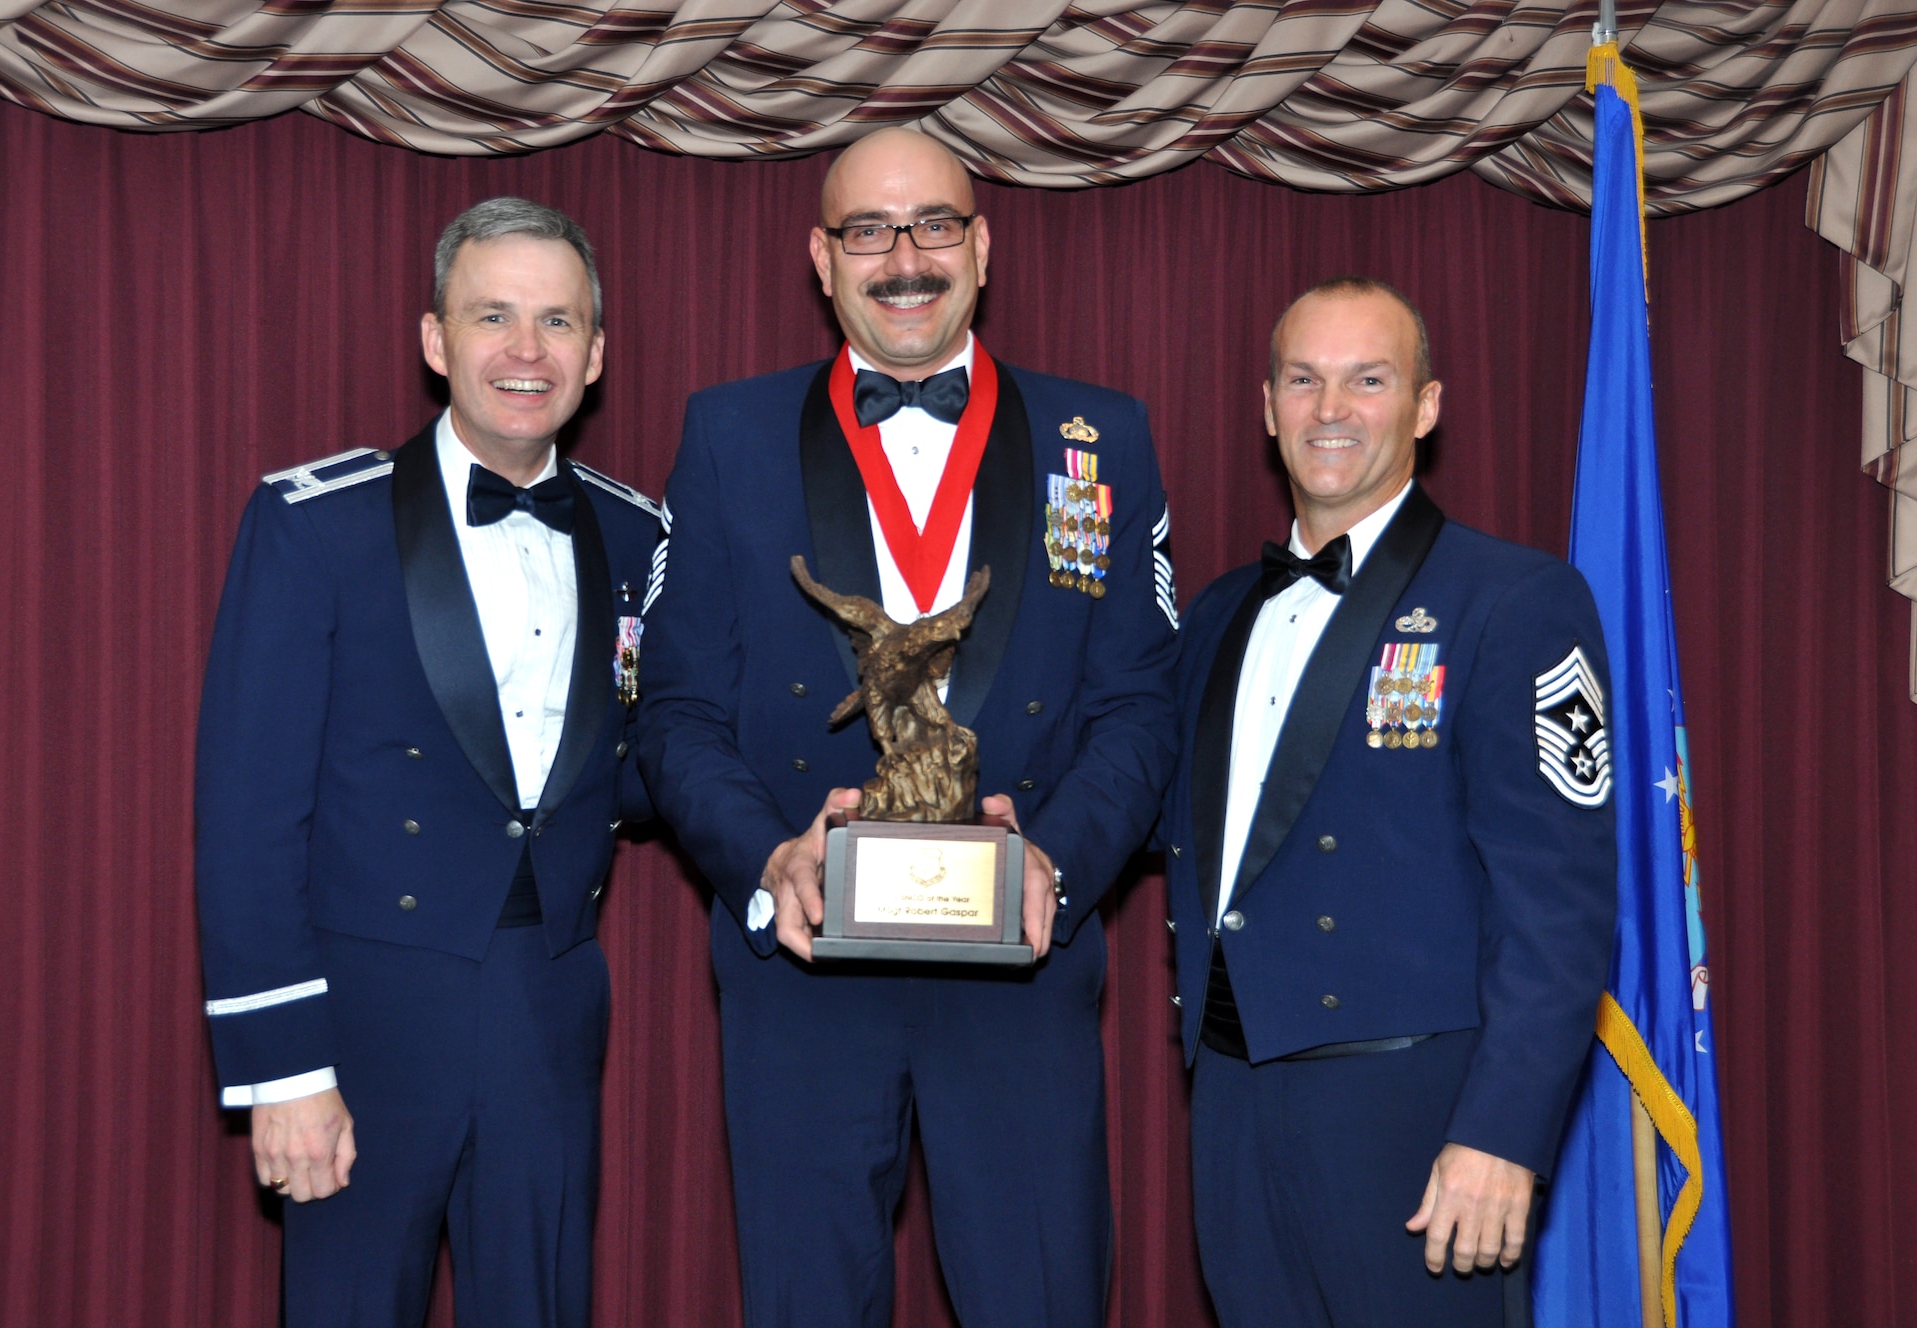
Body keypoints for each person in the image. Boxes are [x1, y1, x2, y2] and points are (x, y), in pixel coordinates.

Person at [635, 127, 1179, 1328]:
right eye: (866, 232)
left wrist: (1059, 860)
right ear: (819, 261)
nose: (903, 259)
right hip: (805, 967)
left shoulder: (1104, 437)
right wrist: (766, 862)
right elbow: (673, 711)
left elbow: (1140, 707)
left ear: (981, 247)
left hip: (1021, 963)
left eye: (933, 223)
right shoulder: (727, 436)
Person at [194, 197, 658, 1327]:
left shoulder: (639, 535)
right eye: (492, 314)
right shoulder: (316, 522)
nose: (524, 350)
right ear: (435, 339)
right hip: (362, 1012)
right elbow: (247, 814)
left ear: (594, 356)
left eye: (557, 321)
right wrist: (285, 1068)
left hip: (547, 998)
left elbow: (652, 761)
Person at [1157, 278, 1617, 1326]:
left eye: (1368, 380)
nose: (1330, 409)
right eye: (1302, 379)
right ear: (1265, 405)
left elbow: (1560, 905)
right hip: (1231, 1102)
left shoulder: (1513, 601)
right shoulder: (1220, 611)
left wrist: (1502, 1131)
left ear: (1425, 405)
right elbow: (1152, 813)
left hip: (1417, 1123)